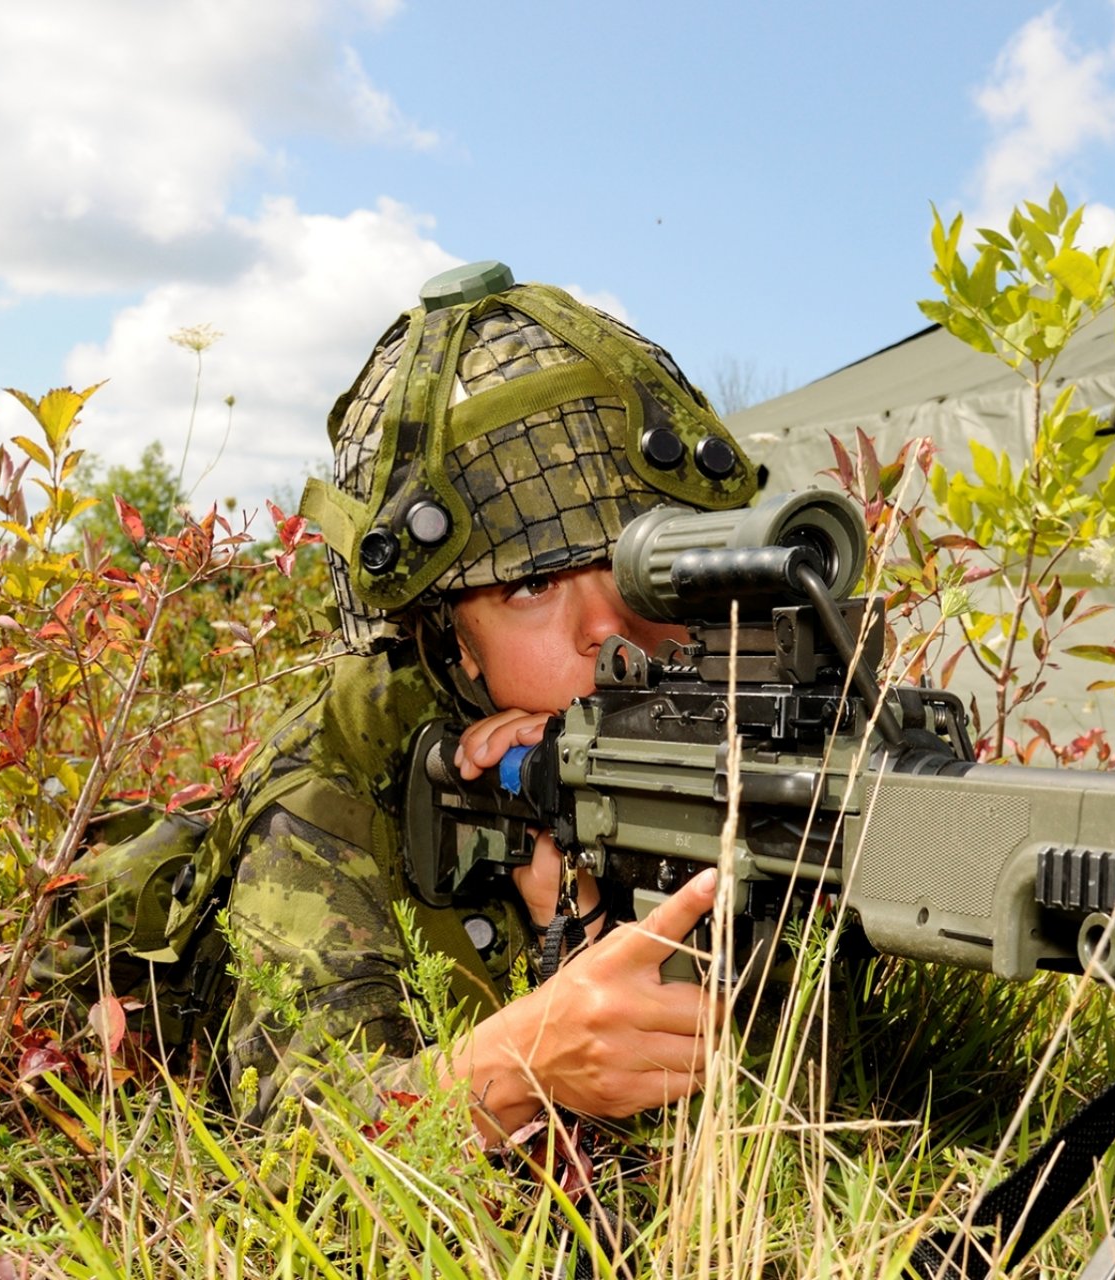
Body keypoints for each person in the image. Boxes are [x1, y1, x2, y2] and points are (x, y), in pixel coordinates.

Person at [222, 259, 760, 1139]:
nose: (608, 628)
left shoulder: (735, 714)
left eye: (637, 562)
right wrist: (524, 1060)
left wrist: (576, 915)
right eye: (532, 587)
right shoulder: (333, 778)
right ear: (445, 633)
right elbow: (293, 1140)